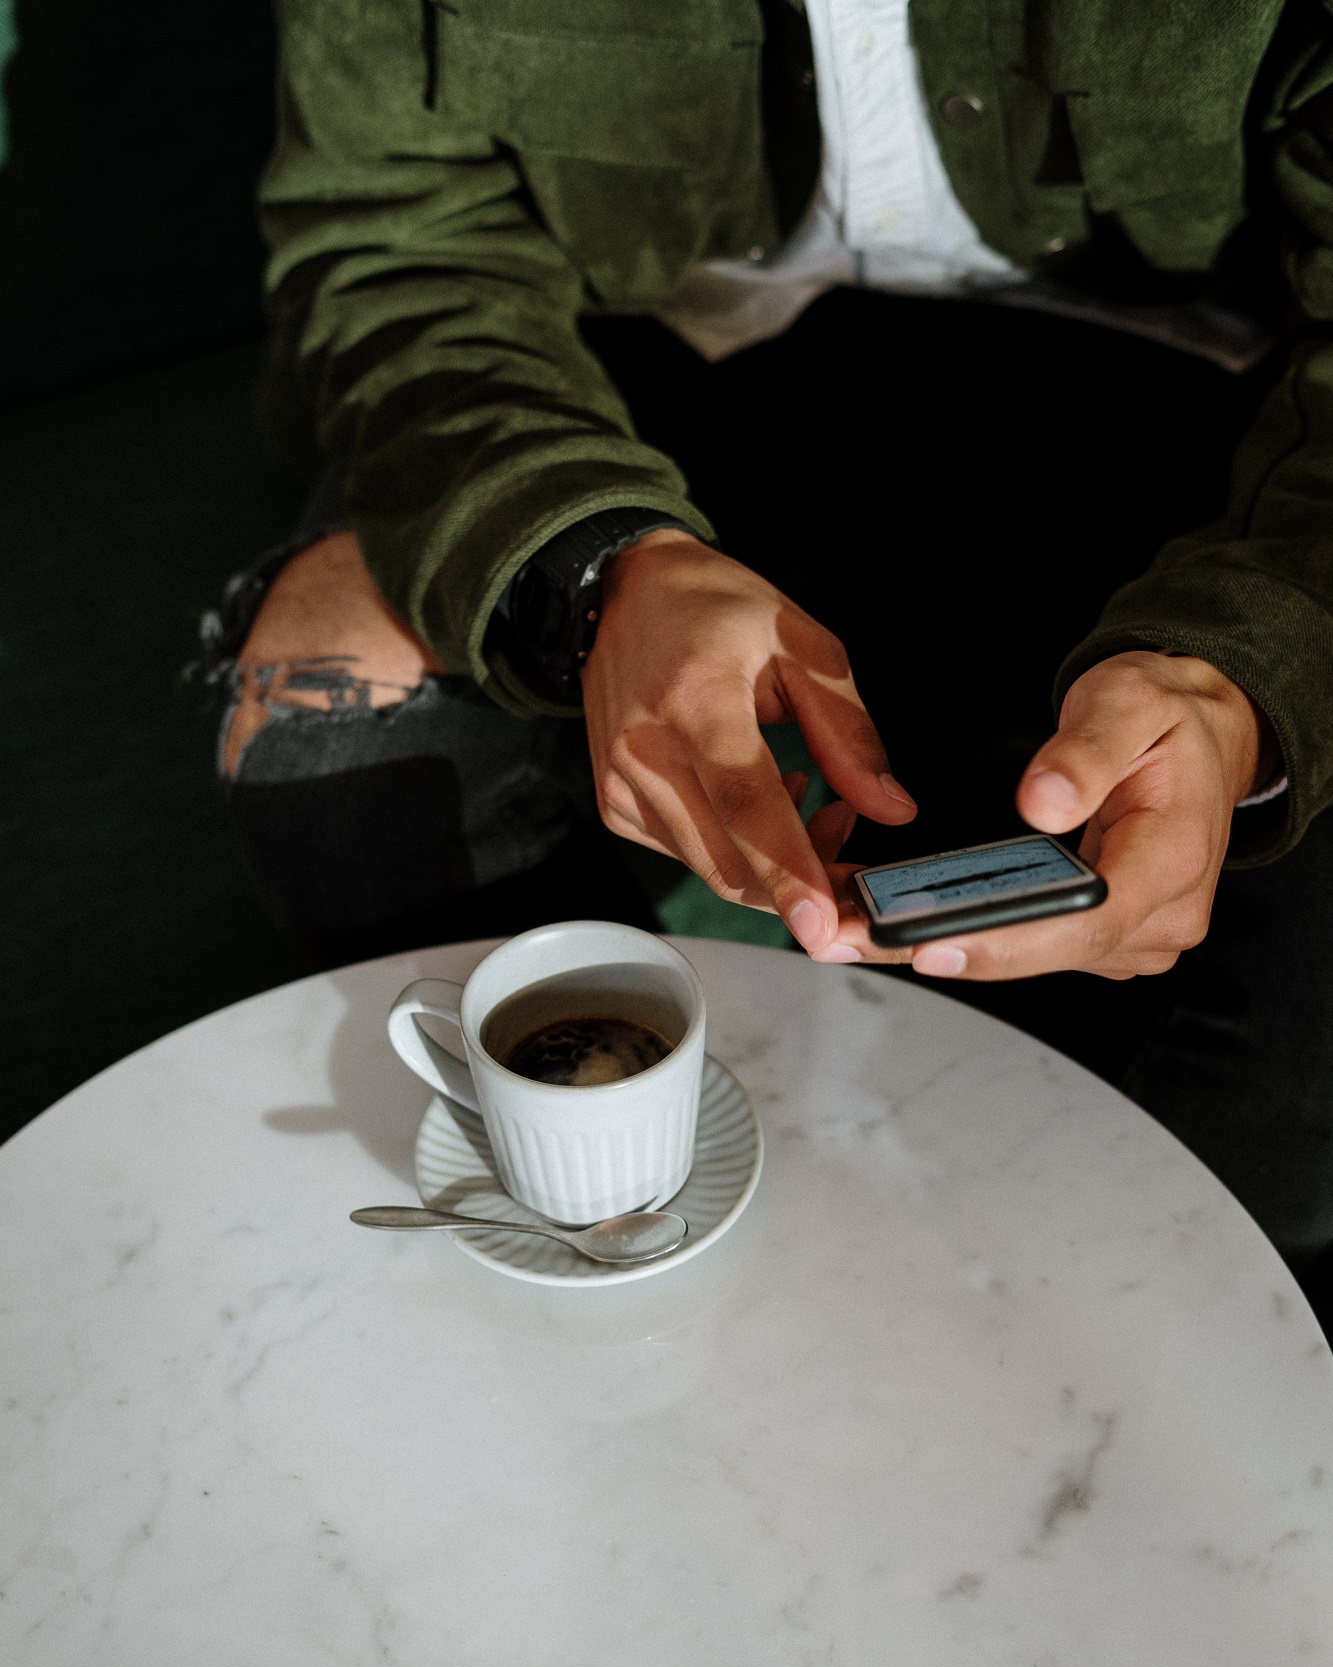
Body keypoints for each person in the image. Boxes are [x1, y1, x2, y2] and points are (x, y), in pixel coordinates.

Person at [202, 0, 1333, 1312]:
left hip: (1206, 404)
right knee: (333, 721)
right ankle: (609, 1248)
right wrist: (592, 560)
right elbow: (387, 236)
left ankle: (1054, 1401)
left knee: (1291, 1103)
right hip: (630, 363)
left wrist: (1249, 673)